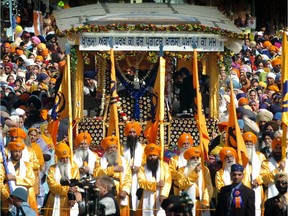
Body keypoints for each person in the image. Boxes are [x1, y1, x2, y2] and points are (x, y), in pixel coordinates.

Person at [93, 135, 132, 215]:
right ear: (106, 150)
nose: (113, 150)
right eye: (110, 148)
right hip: (105, 190)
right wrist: (112, 169)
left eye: (114, 147)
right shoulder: (100, 161)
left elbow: (128, 177)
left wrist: (125, 190)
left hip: (120, 191)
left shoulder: (124, 162)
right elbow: (96, 173)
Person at [44, 142, 81, 216]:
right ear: (58, 158)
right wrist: (67, 189)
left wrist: (73, 192)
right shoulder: (52, 169)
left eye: (66, 158)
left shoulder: (74, 167)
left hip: (71, 199)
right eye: (62, 159)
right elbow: (52, 186)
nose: (65, 161)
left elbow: (77, 182)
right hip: (55, 199)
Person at [1, 139, 36, 214]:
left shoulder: (27, 165)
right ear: (11, 152)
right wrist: (8, 197)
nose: (17, 154)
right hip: (8, 201)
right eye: (15, 151)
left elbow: (31, 181)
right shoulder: (4, 166)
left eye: (19, 152)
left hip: (23, 200)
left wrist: (15, 178)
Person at [137, 143, 172, 215]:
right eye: (150, 155)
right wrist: (156, 184)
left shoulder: (164, 166)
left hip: (161, 196)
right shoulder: (142, 168)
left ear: (158, 155)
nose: (152, 157)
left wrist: (164, 194)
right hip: (147, 197)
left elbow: (168, 181)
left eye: (154, 155)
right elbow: (141, 182)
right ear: (147, 156)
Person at [177, 146, 213, 216]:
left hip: (201, 203)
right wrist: (194, 173)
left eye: (197, 158)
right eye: (193, 158)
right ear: (188, 159)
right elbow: (182, 184)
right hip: (187, 203)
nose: (195, 160)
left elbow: (208, 187)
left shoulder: (205, 170)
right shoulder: (181, 170)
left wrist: (205, 201)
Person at [122, 121, 145, 212]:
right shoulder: (122, 148)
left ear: (137, 134)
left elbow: (148, 164)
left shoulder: (143, 148)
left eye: (134, 132)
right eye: (130, 132)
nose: (132, 134)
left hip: (139, 177)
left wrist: (139, 168)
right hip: (125, 177)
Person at [242, 131, 265, 216]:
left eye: (250, 142)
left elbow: (265, 172)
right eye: (246, 142)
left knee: (257, 210)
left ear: (254, 143)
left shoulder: (261, 156)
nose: (248, 144)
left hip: (257, 187)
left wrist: (258, 180)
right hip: (243, 188)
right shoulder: (240, 157)